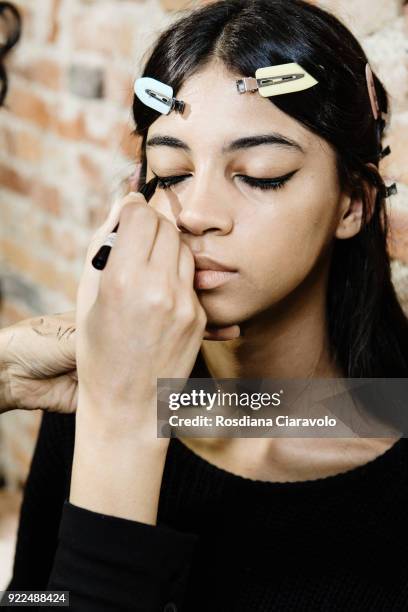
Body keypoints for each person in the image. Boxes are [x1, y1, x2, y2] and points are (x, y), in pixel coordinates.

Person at [3, 0, 408, 610]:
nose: (196, 213)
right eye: (170, 172)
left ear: (352, 203)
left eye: (262, 175)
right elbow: (33, 601)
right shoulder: (106, 393)